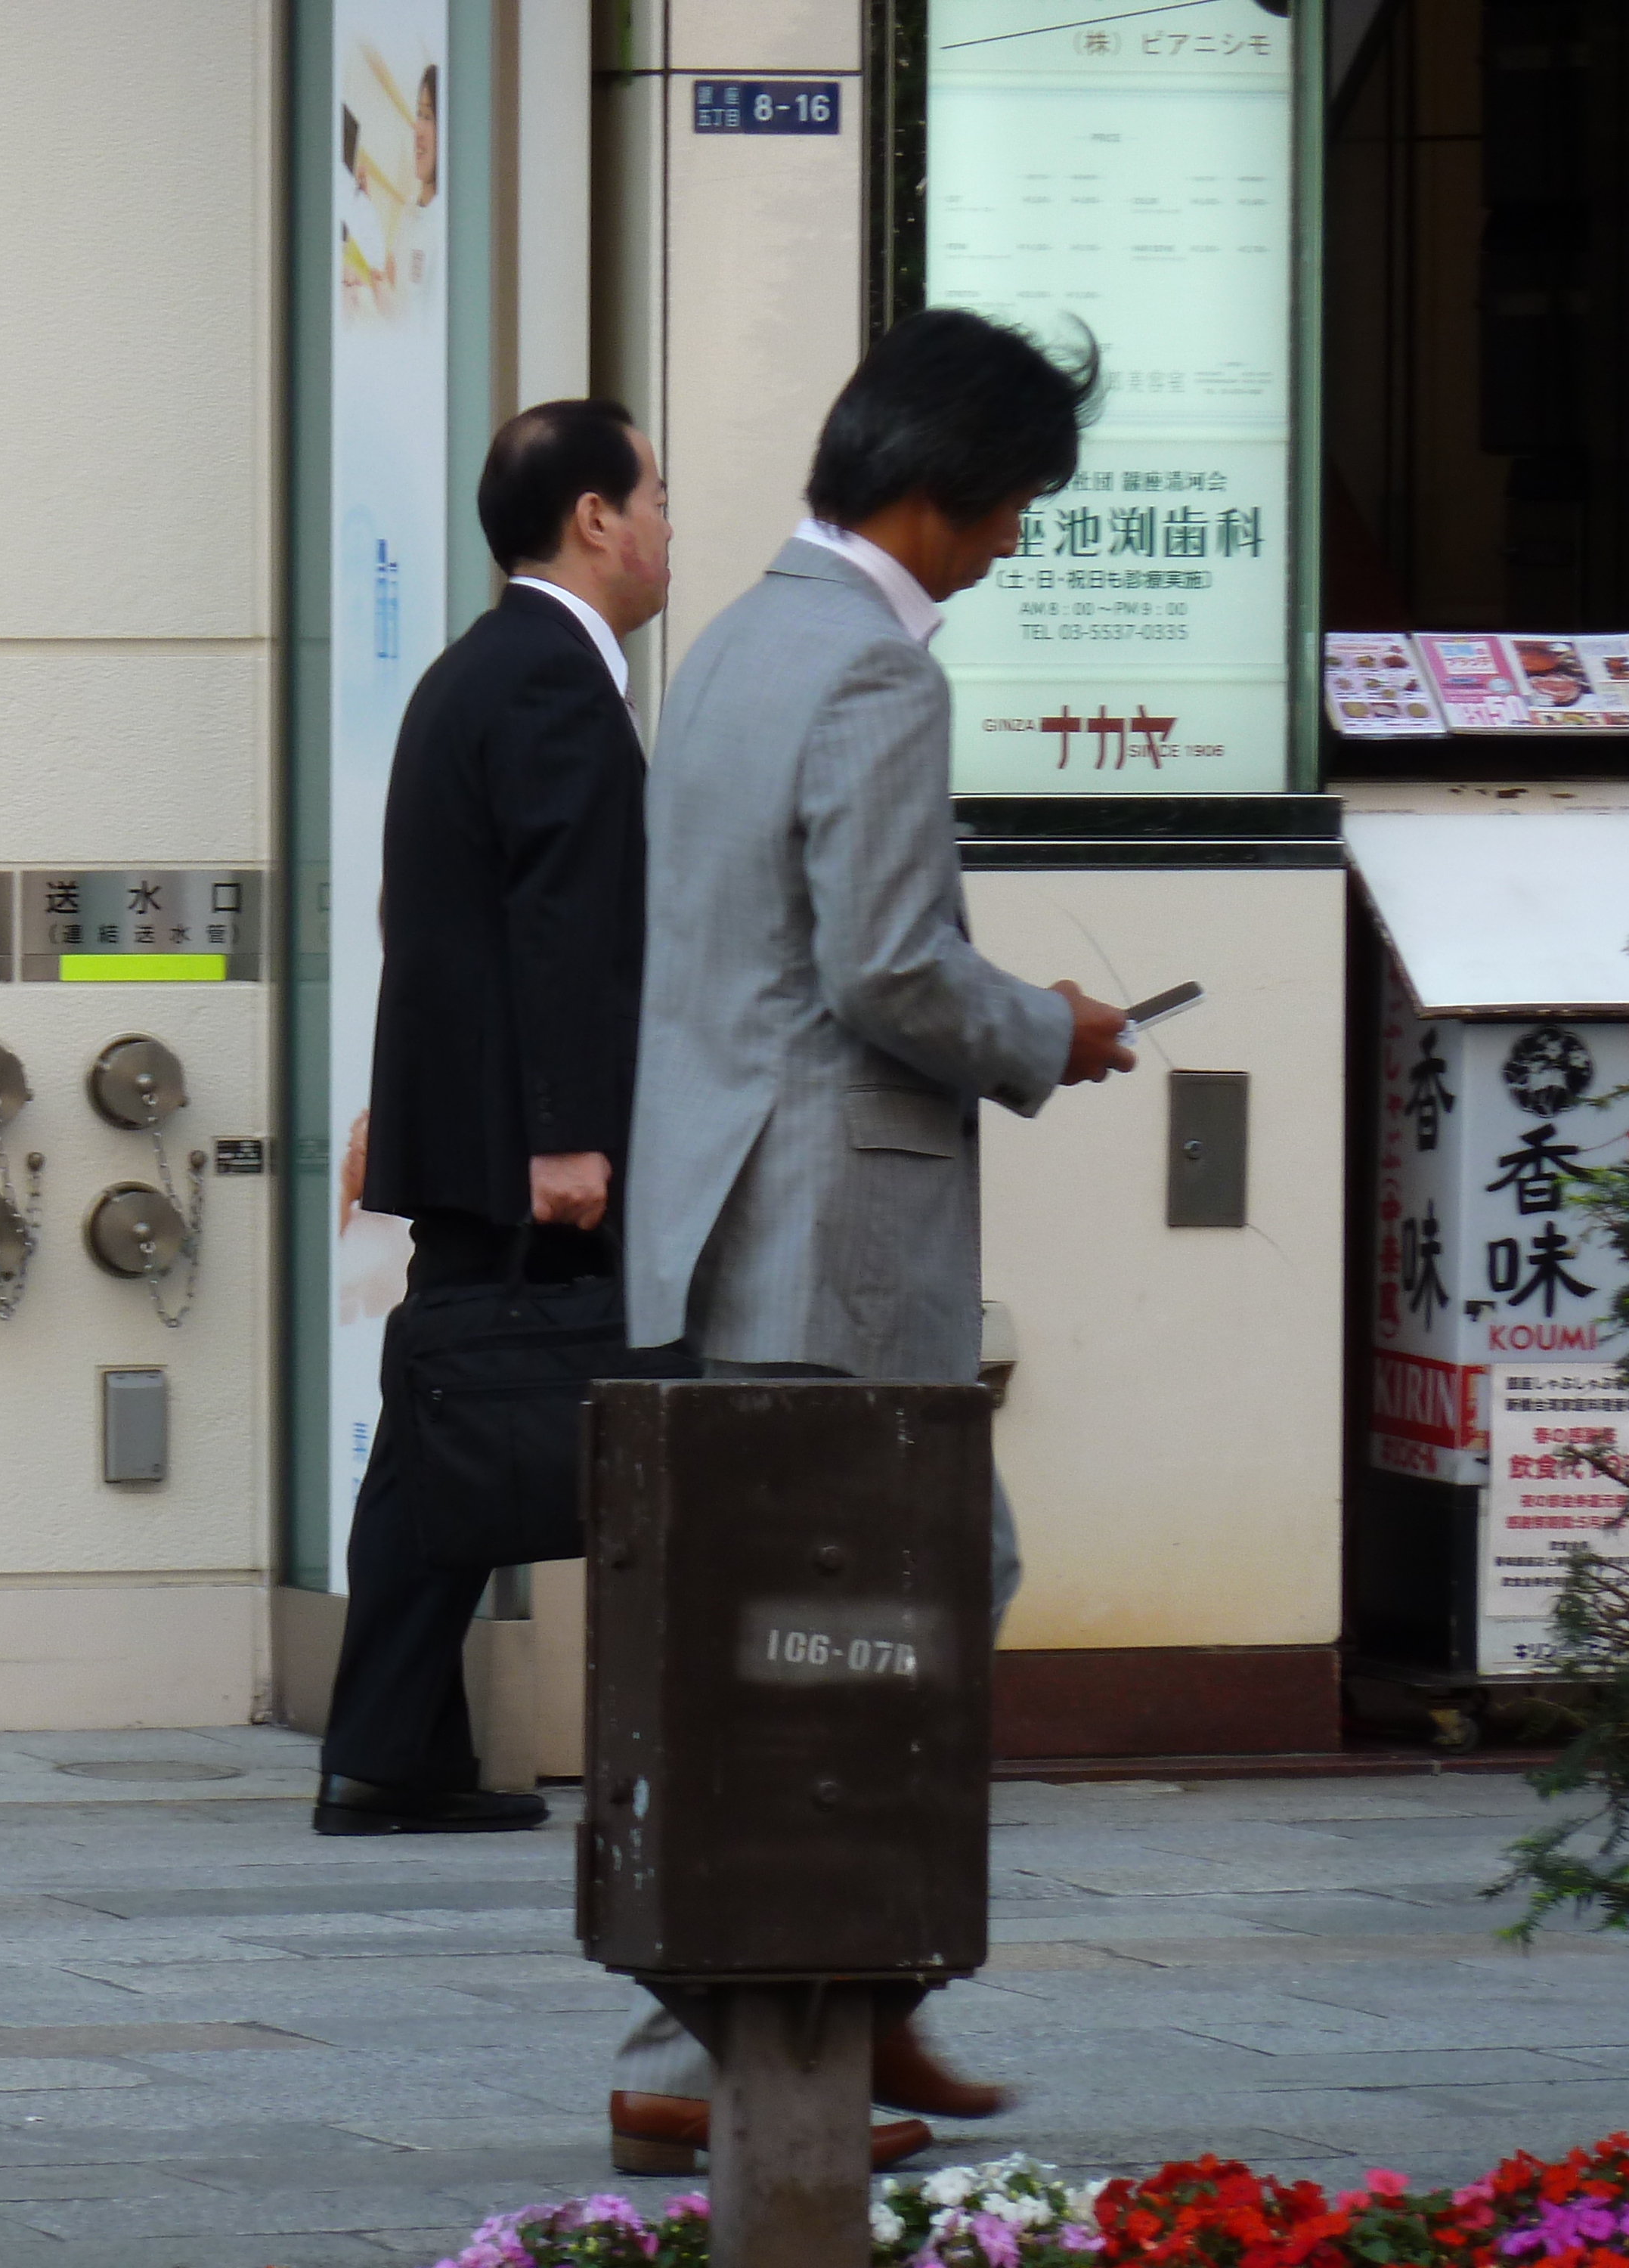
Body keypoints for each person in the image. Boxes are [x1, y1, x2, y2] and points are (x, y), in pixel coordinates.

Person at [605, 310, 1135, 2173]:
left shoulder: (735, 644)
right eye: (1010, 514)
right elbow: (888, 965)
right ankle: (774, 2025)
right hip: (837, 1231)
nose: (1009, 551)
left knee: (800, 1620)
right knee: (890, 1607)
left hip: (728, 1219)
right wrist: (1046, 1033)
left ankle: (763, 2027)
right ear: (932, 492)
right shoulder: (872, 677)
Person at [315, 398, 674, 1836]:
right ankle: (394, 1752)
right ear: (592, 516)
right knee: (470, 1411)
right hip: (528, 1143)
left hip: (478, 1126)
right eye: (653, 497)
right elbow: (560, 928)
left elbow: (440, 925)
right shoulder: (547, 678)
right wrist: (567, 1135)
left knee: (435, 1419)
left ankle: (392, 1749)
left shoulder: (485, 670)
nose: (663, 527)